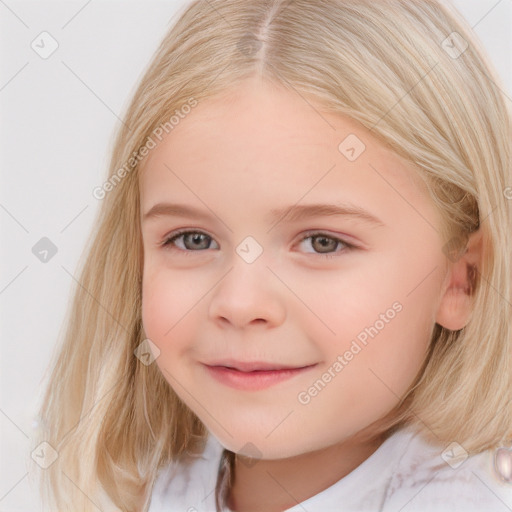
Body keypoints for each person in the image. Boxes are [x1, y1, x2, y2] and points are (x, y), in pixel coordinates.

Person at [33, 0, 512, 511]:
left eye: (322, 242)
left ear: (465, 278)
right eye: (193, 239)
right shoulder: (144, 487)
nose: (239, 303)